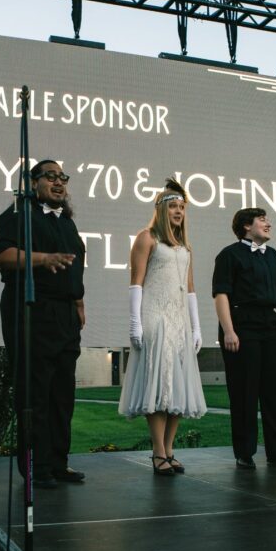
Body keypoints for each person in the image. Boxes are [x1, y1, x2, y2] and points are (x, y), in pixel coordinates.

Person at [0, 159, 86, 489]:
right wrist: (43, 259)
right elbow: (0, 255)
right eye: (50, 176)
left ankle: (59, 463)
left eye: (63, 177)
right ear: (33, 183)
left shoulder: (68, 223)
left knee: (63, 394)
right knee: (36, 392)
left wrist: (78, 302)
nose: (58, 182)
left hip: (65, 315)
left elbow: (74, 267)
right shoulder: (19, 214)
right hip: (30, 309)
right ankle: (36, 467)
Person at [119, 179, 207, 475]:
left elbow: (191, 288)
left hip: (179, 322)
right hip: (155, 319)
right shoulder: (147, 238)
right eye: (173, 206)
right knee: (158, 387)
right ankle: (158, 451)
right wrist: (135, 322)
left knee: (177, 388)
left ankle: (169, 449)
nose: (179, 211)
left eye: (182, 207)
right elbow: (136, 282)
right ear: (161, 208)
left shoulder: (184, 247)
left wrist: (196, 327)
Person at [212, 208, 276, 470]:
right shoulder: (229, 255)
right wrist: (228, 330)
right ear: (247, 226)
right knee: (244, 391)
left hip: (269, 327)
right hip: (241, 326)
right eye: (262, 220)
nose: (268, 224)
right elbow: (222, 294)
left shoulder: (273, 256)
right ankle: (245, 452)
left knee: (273, 392)